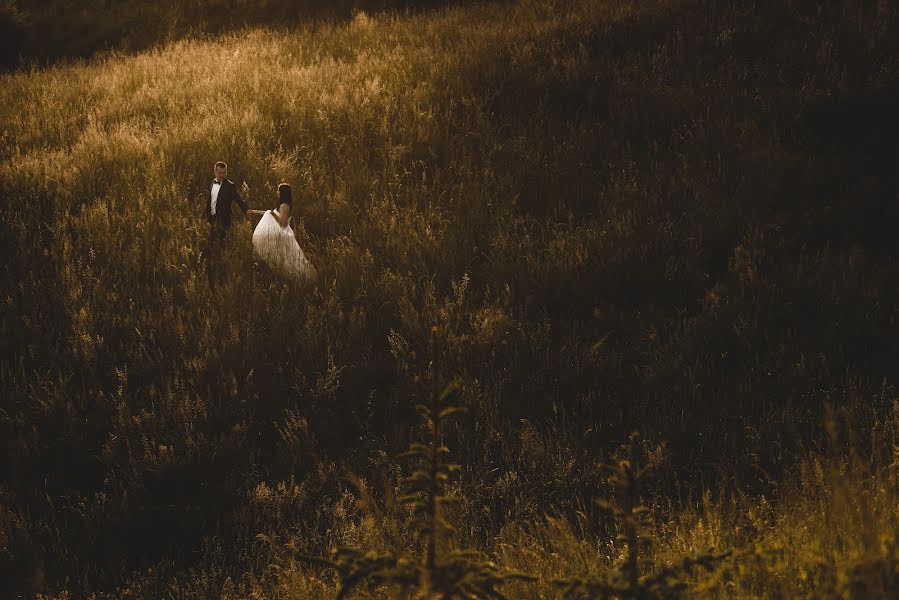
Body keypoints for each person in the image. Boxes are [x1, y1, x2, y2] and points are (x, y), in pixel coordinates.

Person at [248, 183, 315, 280]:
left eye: (278, 190)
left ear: (282, 192)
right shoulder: (283, 205)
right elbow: (269, 213)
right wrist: (255, 212)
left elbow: (283, 223)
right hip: (280, 233)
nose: (277, 192)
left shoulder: (285, 206)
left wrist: (271, 213)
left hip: (282, 234)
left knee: (286, 260)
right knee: (283, 259)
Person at [203, 161, 250, 283]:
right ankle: (210, 265)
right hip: (212, 218)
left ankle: (222, 270)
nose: (222, 175)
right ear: (215, 172)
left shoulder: (230, 186)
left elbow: (237, 198)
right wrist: (205, 215)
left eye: (224, 173)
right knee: (211, 241)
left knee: (221, 243)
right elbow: (210, 200)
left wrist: (246, 209)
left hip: (224, 220)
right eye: (219, 173)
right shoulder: (212, 182)